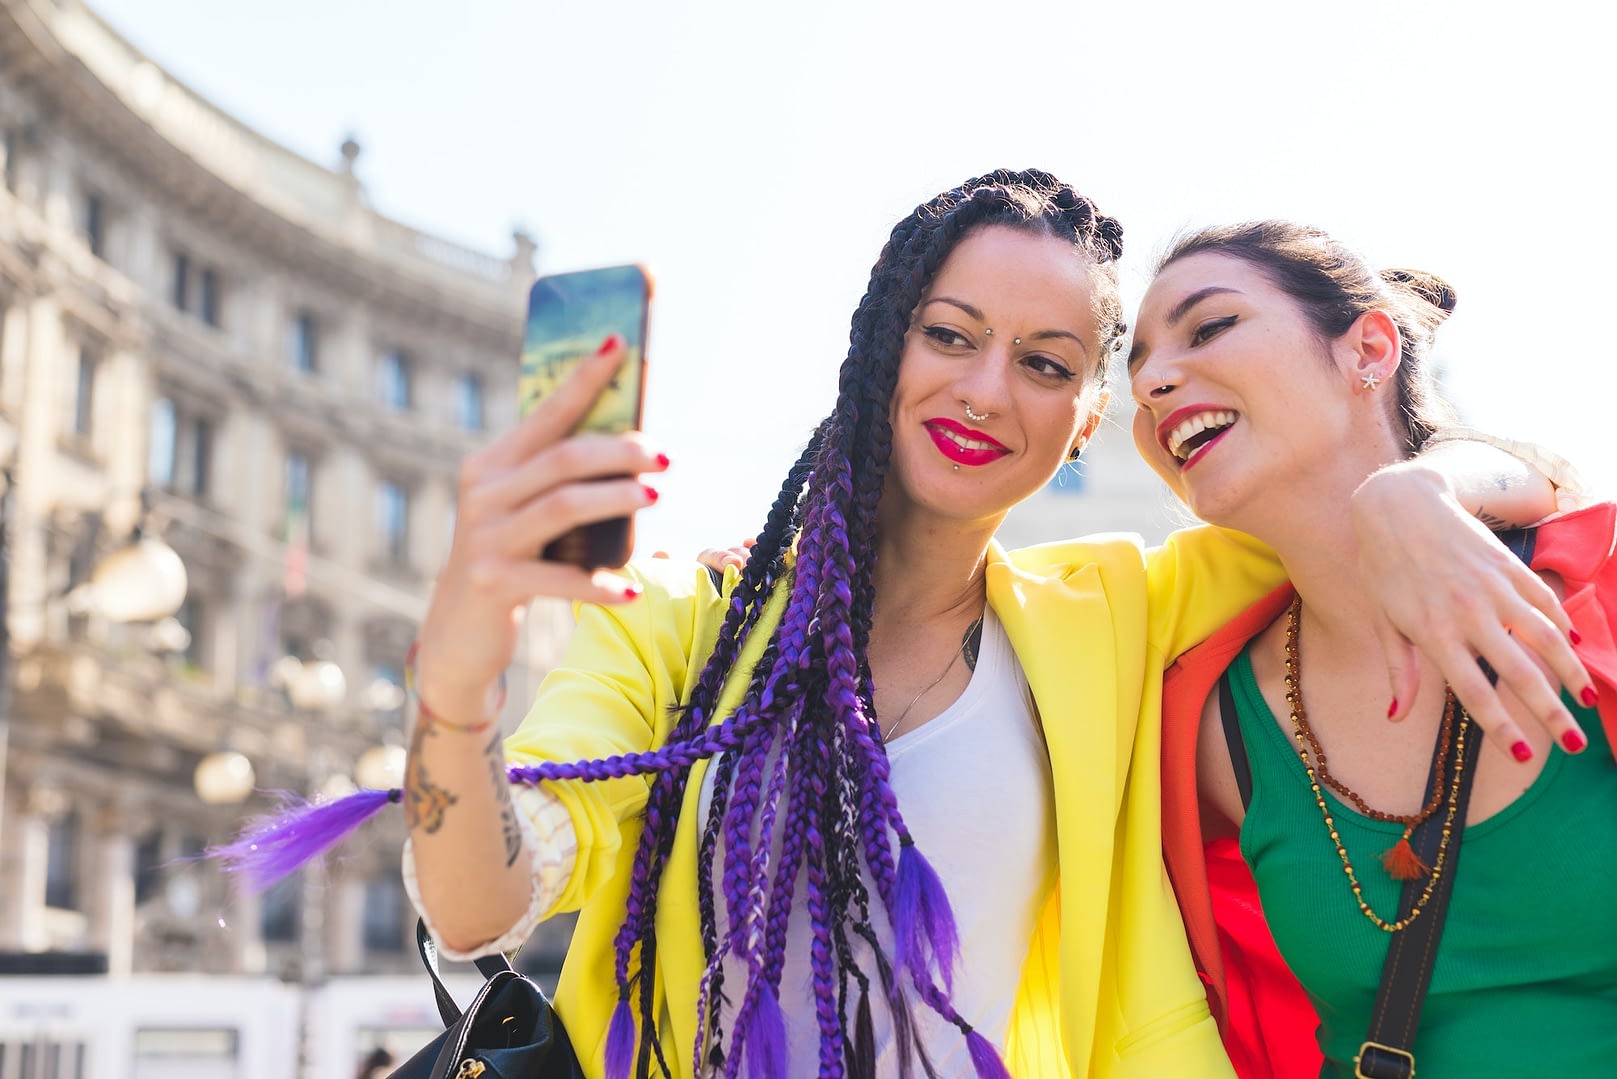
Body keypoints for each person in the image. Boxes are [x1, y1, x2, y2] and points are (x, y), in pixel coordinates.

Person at [217, 174, 1581, 1079]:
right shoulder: (688, 619)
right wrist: (458, 672)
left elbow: (1490, 482)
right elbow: (484, 900)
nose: (988, 389)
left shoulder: (1124, 606)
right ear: (881, 345)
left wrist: (1420, 491)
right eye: (950, 334)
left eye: (1046, 363)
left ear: (1084, 424)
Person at [1129, 222, 1616, 1077]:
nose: (1149, 382)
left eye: (1208, 327)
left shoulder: (1593, 592)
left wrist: (1416, 485)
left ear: (1368, 351)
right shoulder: (1204, 724)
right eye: (1135, 365)